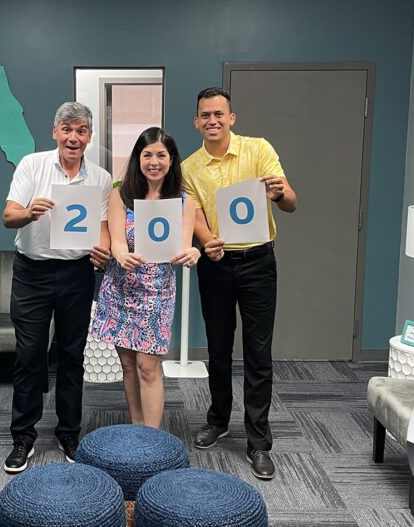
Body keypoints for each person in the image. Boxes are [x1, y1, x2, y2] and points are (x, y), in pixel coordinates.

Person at [181, 87, 297, 480]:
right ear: (196, 122)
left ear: (232, 118)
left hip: (258, 262)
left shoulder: (258, 149)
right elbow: (193, 213)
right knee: (218, 348)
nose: (212, 121)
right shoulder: (189, 166)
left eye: (219, 114)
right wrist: (204, 239)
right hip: (216, 265)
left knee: (258, 352)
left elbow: (290, 201)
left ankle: (259, 442)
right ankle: (218, 420)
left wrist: (281, 193)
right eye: (204, 116)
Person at [1, 102, 113, 474]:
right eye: (67, 129)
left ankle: (69, 432)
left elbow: (101, 230)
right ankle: (23, 437)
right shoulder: (32, 165)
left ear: (89, 137)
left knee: (72, 356)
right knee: (29, 355)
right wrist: (30, 212)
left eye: (81, 131)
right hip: (31, 273)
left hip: (77, 275)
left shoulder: (100, 177)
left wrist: (103, 252)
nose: (73, 138)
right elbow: (8, 216)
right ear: (55, 132)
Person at [90, 127, 198, 429]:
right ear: (138, 158)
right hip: (120, 289)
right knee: (127, 364)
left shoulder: (182, 201)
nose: (154, 161)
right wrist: (120, 254)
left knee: (148, 366)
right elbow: (117, 241)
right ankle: (137, 428)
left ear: (171, 159)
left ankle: (153, 437)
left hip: (157, 292)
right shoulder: (121, 194)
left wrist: (193, 254)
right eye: (147, 154)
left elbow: (183, 246)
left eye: (161, 155)